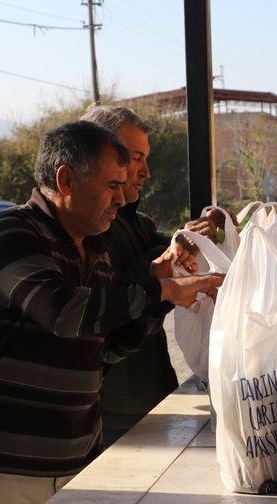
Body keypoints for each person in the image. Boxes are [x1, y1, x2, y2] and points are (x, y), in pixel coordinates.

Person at [0, 120, 223, 504]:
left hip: (76, 464)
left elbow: (106, 348)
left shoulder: (95, 252)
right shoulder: (8, 234)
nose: (122, 200)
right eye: (111, 186)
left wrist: (161, 295)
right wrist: (163, 288)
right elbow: (63, 313)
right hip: (0, 471)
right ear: (66, 180)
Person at [79, 105, 231, 446]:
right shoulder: (85, 232)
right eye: (133, 157)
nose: (145, 171)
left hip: (152, 397)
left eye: (144, 158)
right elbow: (108, 301)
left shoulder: (138, 223)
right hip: (112, 412)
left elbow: (174, 259)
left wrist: (200, 238)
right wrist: (163, 268)